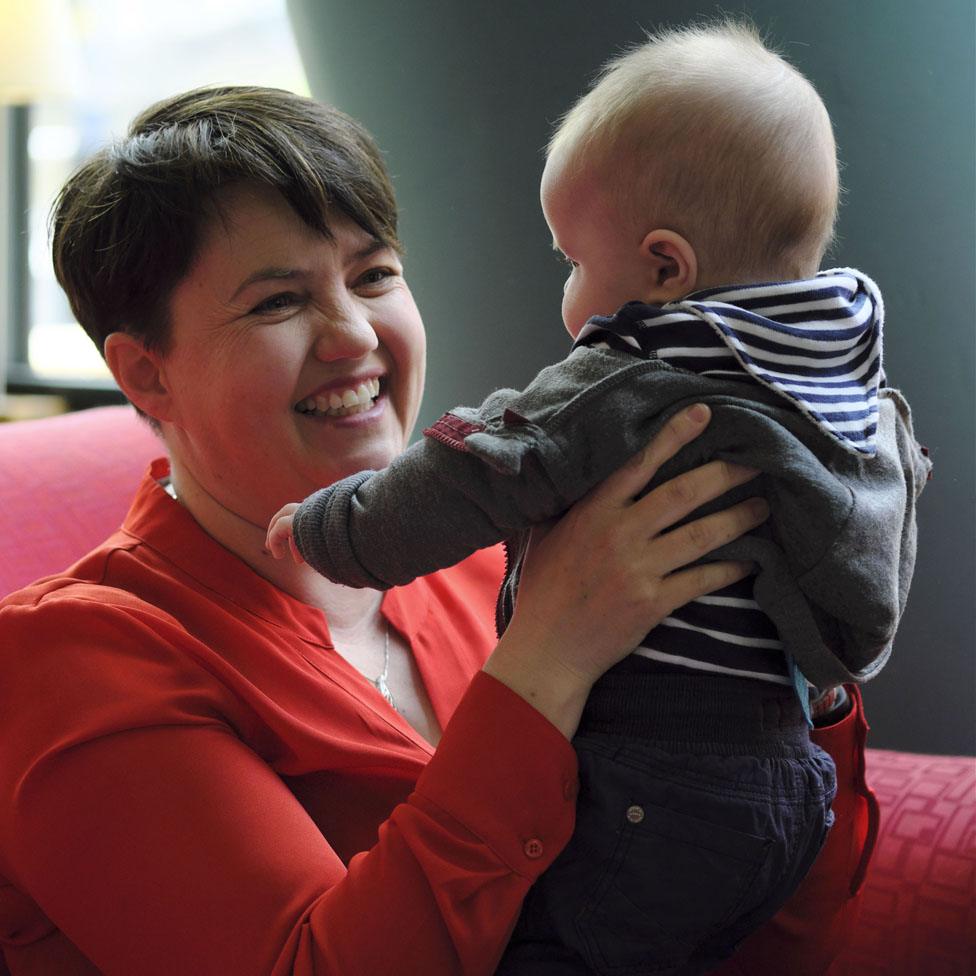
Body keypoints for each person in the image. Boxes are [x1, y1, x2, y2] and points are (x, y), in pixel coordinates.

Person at [0, 85, 778, 976]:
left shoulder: (497, 560)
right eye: (277, 302)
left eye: (374, 276)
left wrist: (791, 676)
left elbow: (750, 923)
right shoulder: (69, 662)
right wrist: (550, 661)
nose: (353, 336)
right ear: (147, 375)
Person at [267, 22, 931, 975]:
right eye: (274, 301)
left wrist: (337, 527)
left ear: (665, 267)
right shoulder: (858, 403)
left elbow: (481, 464)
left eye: (573, 261)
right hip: (788, 790)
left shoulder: (633, 378)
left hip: (654, 782)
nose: (348, 337)